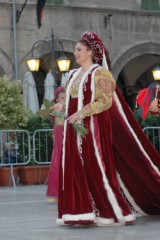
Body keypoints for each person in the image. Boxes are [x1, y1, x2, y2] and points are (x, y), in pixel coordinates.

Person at [53, 31, 160, 227]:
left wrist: (84, 112)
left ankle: (108, 211)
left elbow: (106, 101)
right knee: (75, 169)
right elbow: (72, 102)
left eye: (78, 49)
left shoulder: (100, 73)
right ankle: (80, 212)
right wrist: (62, 108)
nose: (75, 53)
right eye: (75, 49)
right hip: (73, 130)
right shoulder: (73, 75)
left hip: (92, 130)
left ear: (90, 52)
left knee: (95, 168)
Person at [46, 86, 65, 203]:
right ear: (57, 99)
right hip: (59, 135)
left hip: (69, 134)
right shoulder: (55, 108)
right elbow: (53, 116)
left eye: (65, 97)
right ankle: (56, 193)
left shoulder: (70, 107)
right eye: (61, 97)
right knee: (57, 162)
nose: (64, 99)